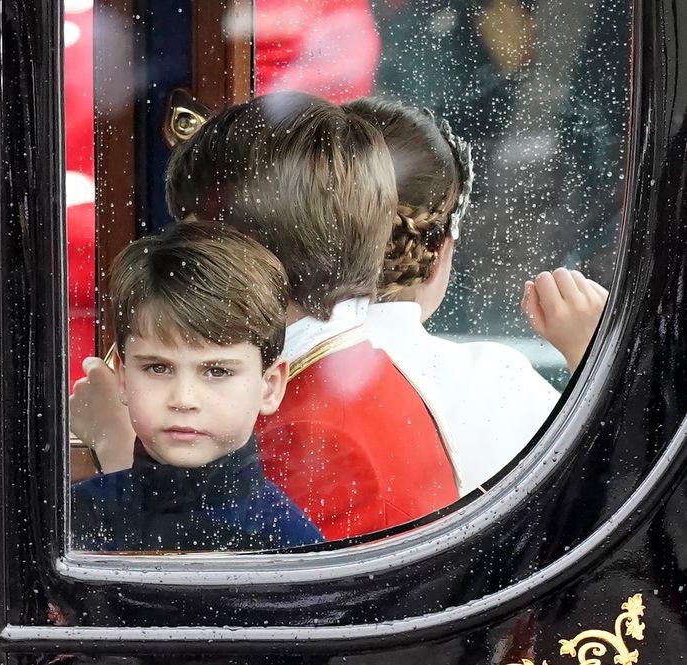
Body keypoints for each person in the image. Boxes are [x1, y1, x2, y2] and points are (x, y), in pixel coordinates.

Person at [73, 92, 459, 541]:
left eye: (195, 238)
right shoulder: (345, 379)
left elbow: (216, 585)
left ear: (242, 249)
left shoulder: (314, 437)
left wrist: (116, 443)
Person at [343, 97, 607, 493]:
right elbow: (597, 497)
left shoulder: (243, 362)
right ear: (440, 246)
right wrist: (593, 356)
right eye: (488, 200)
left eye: (535, 202)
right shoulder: (496, 386)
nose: (505, 223)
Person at [71, 221, 322, 552]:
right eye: (157, 368)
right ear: (122, 375)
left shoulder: (286, 545)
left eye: (217, 372)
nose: (183, 399)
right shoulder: (75, 519)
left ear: (269, 386)